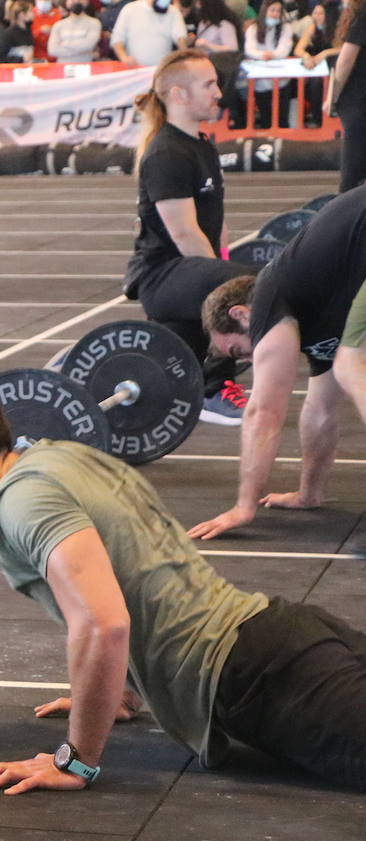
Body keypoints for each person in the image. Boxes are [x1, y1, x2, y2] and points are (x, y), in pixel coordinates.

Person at [0, 376, 366, 794]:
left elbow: (103, 624)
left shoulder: (20, 501)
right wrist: (121, 690)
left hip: (257, 676)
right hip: (282, 634)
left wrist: (74, 760)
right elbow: (137, 559)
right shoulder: (59, 458)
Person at [188, 185, 366, 540]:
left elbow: (264, 412)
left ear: (241, 315)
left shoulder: (271, 296)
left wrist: (244, 506)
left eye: (240, 352)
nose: (253, 361)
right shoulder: (315, 315)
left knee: (351, 365)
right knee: (346, 367)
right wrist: (308, 495)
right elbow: (320, 412)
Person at [124, 49, 252, 426]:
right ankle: (212, 390)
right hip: (162, 277)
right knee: (258, 285)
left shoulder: (201, 145)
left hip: (190, 272)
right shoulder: (166, 153)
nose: (218, 93)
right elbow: (184, 234)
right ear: (179, 94)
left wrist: (224, 269)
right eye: (209, 84)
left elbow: (217, 224)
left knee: (253, 285)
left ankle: (206, 372)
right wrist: (228, 288)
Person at [330, 0, 366, 191]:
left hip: (358, 99)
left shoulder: (361, 18)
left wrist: (332, 96)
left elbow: (346, 61)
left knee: (352, 170)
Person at [245, 0, 296, 127]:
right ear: (265, 11)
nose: (275, 14)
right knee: (266, 120)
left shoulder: (286, 28)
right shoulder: (253, 28)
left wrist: (272, 55)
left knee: (283, 120)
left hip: (282, 81)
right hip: (260, 83)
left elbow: (284, 49)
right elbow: (249, 50)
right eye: (272, 10)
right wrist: (262, 55)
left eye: (278, 11)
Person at [294, 1, 336, 126]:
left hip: (331, 64)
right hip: (316, 66)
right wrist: (306, 55)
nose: (317, 16)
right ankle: (316, 117)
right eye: (315, 13)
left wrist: (326, 53)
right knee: (313, 84)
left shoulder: (335, 28)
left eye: (321, 13)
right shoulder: (311, 28)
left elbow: (342, 47)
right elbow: (298, 49)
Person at [111, 0, 189, 65]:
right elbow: (117, 39)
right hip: (134, 70)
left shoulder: (174, 12)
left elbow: (180, 38)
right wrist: (124, 57)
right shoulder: (130, 9)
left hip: (161, 70)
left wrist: (185, 58)